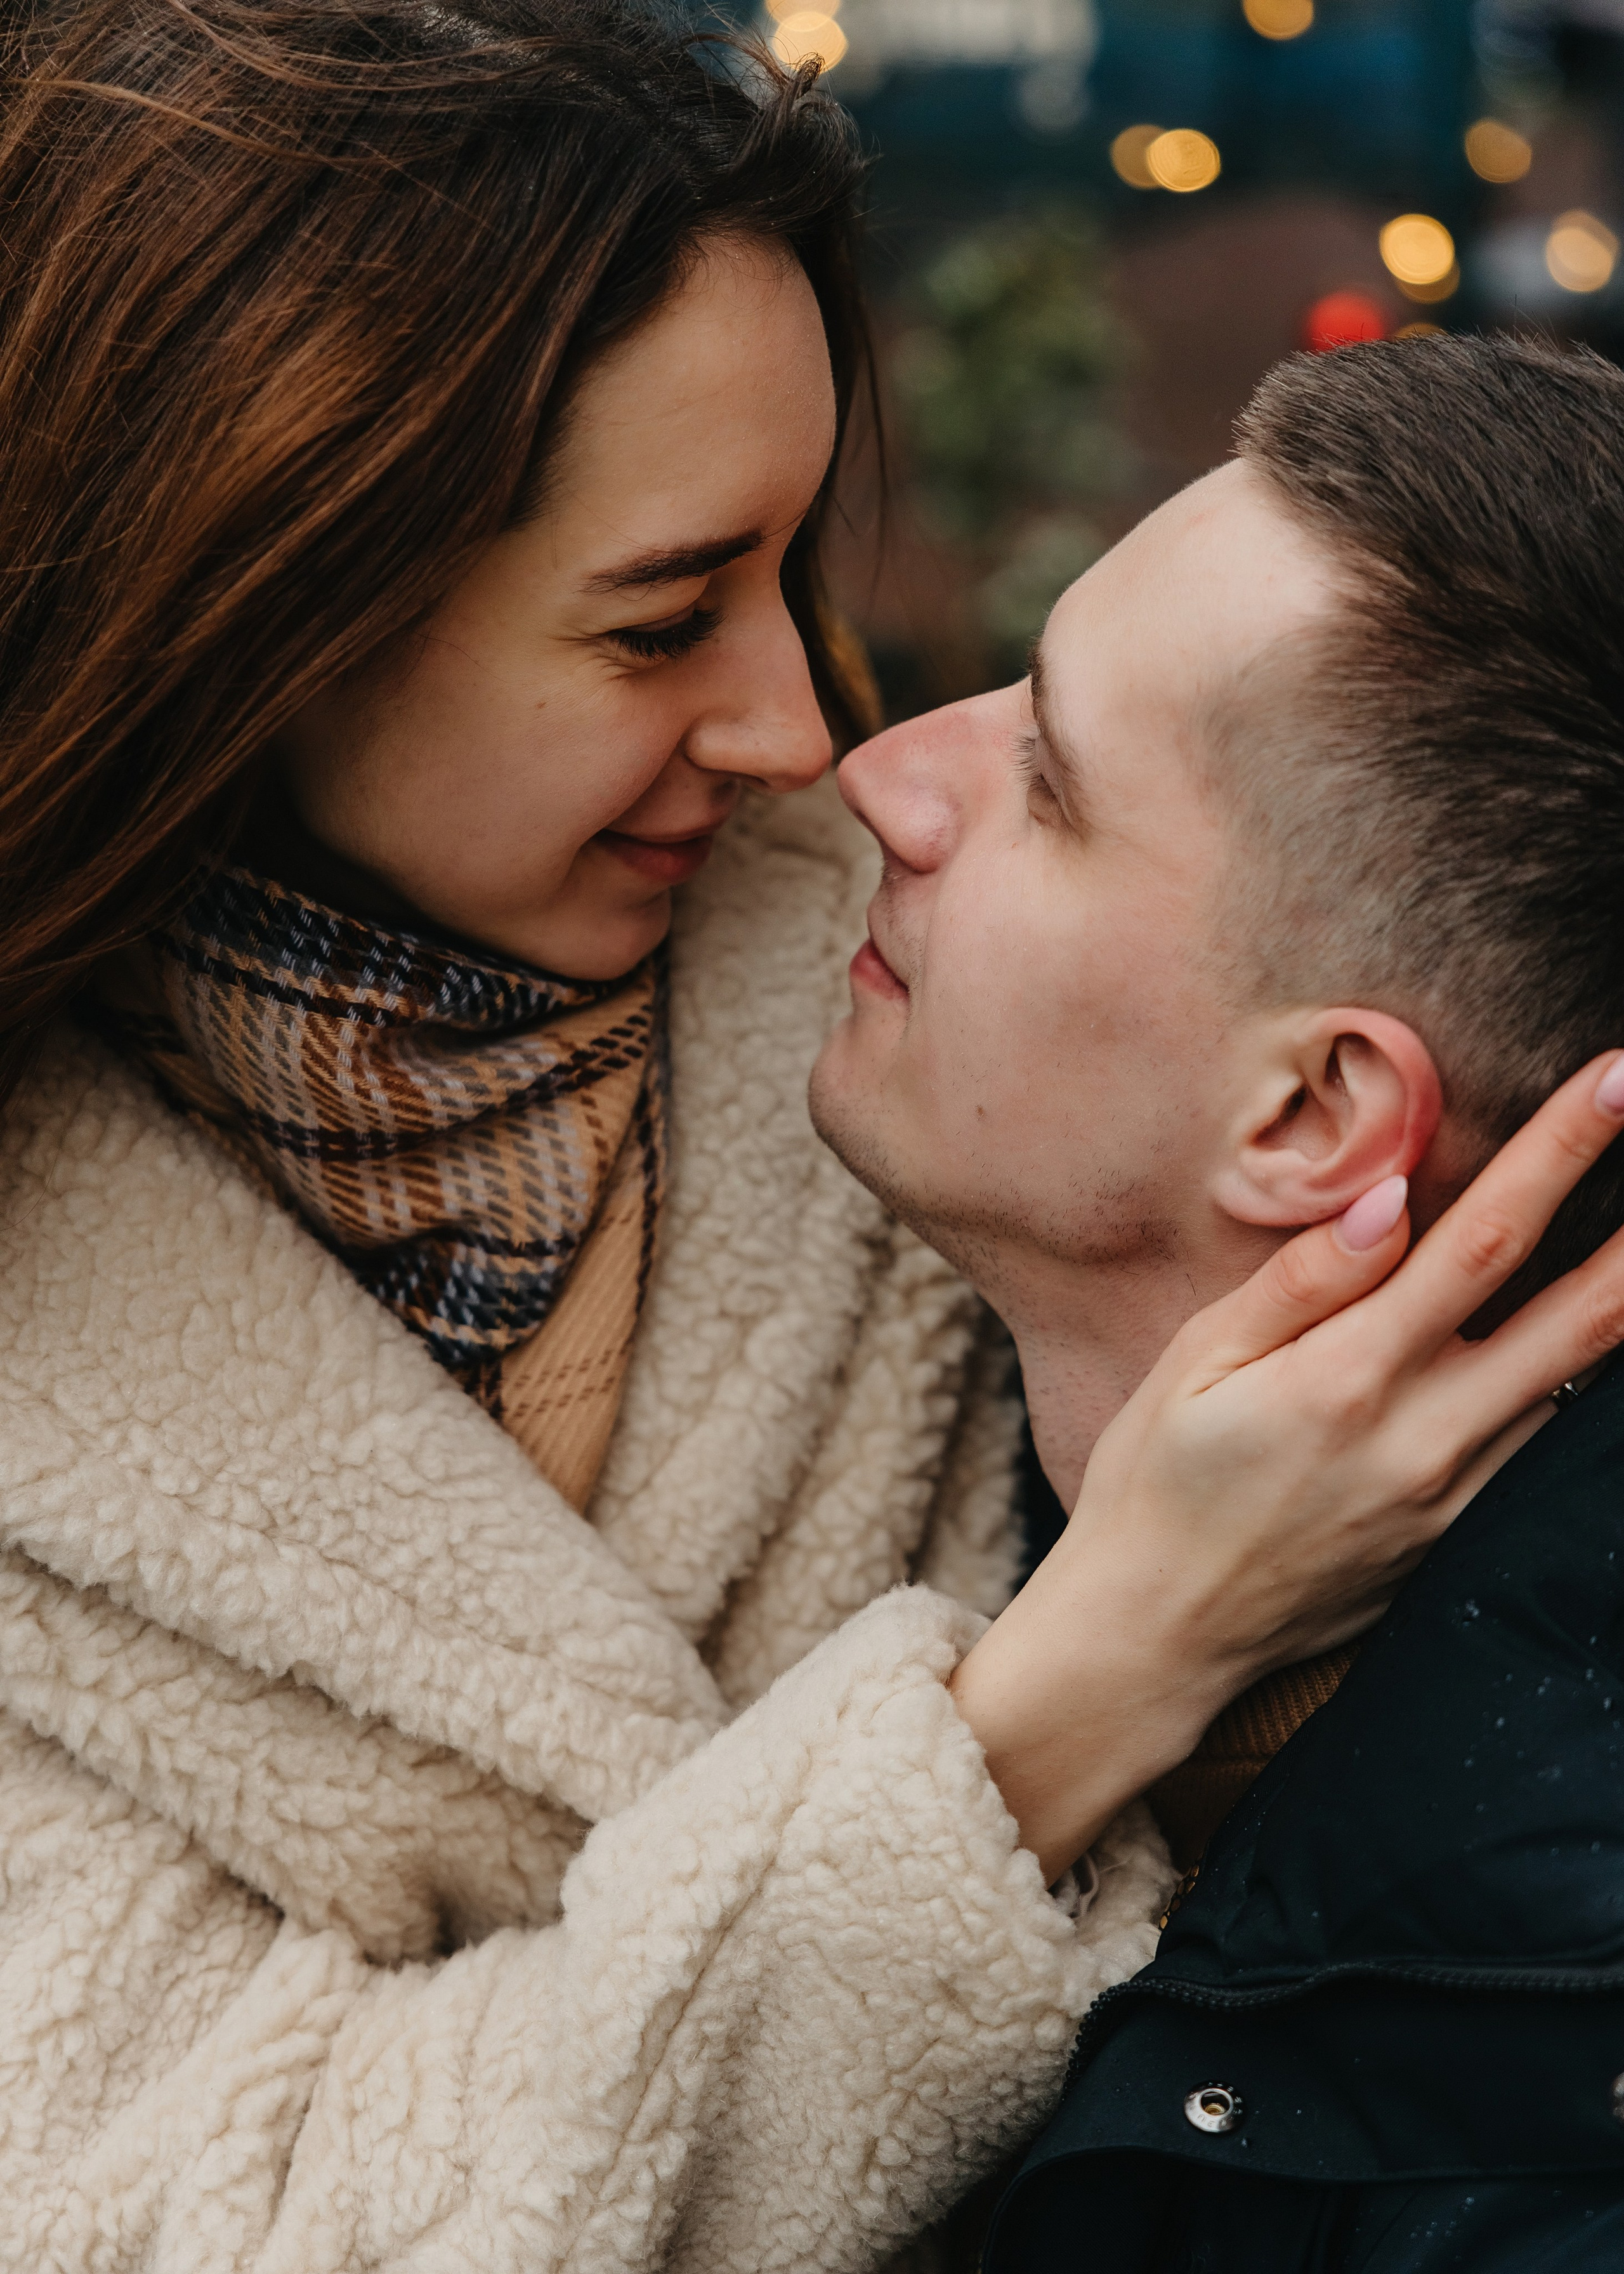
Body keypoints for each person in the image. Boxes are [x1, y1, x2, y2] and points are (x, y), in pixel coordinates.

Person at [0, 4, 1614, 2266]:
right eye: (665, 619)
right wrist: (1082, 1685)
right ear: (269, 614)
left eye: (797, 584)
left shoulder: (948, 1053)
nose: (806, 738)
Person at [804, 331, 1624, 2268]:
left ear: (1314, 1114)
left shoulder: (1534, 2145)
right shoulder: (880, 1458)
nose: (880, 776)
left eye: (1047, 778)